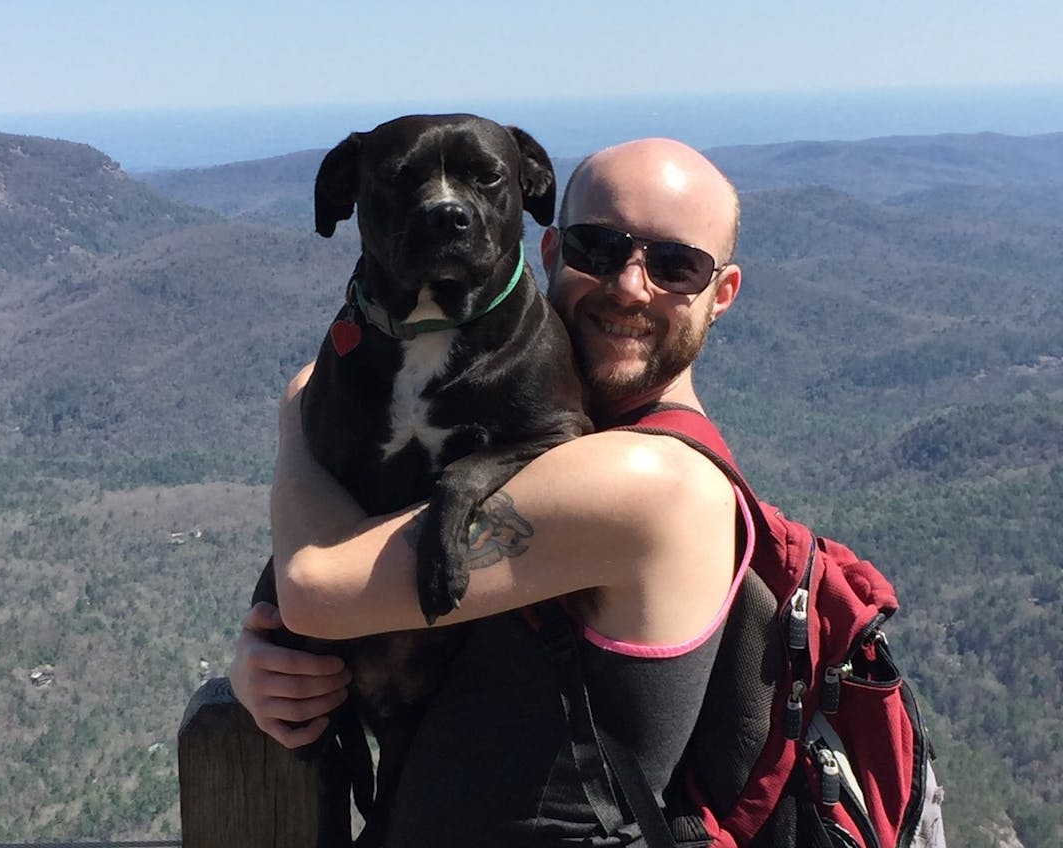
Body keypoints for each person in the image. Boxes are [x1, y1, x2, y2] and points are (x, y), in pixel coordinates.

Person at [231, 137, 749, 842]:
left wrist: (297, 412)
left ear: (721, 294)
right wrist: (272, 666)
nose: (631, 285)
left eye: (675, 265)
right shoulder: (560, 436)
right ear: (551, 253)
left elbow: (317, 587)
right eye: (600, 249)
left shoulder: (651, 483)